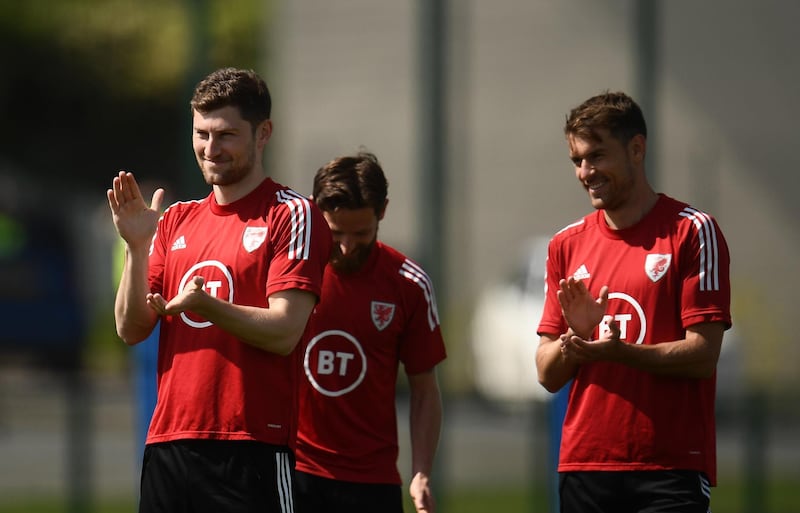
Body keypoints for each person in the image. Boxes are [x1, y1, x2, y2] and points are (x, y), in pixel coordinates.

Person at [106, 67, 332, 513]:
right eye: (201, 134)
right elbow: (131, 329)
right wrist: (136, 247)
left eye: (226, 135)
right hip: (169, 444)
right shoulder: (174, 220)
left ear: (263, 133)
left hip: (251, 448)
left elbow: (285, 330)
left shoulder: (292, 215)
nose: (211, 149)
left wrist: (210, 306)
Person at [535, 91, 731, 513]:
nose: (586, 172)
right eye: (577, 161)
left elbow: (703, 354)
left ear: (637, 149)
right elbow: (547, 373)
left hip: (670, 469)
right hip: (585, 466)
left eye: (597, 156)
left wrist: (622, 353)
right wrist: (577, 334)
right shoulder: (565, 245)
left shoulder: (693, 232)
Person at [293, 151, 447, 513]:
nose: (346, 246)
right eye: (336, 233)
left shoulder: (408, 284)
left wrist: (422, 472)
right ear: (316, 210)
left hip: (371, 482)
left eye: (361, 233)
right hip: (294, 471)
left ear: (383, 211)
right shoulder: (290, 271)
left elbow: (425, 390)